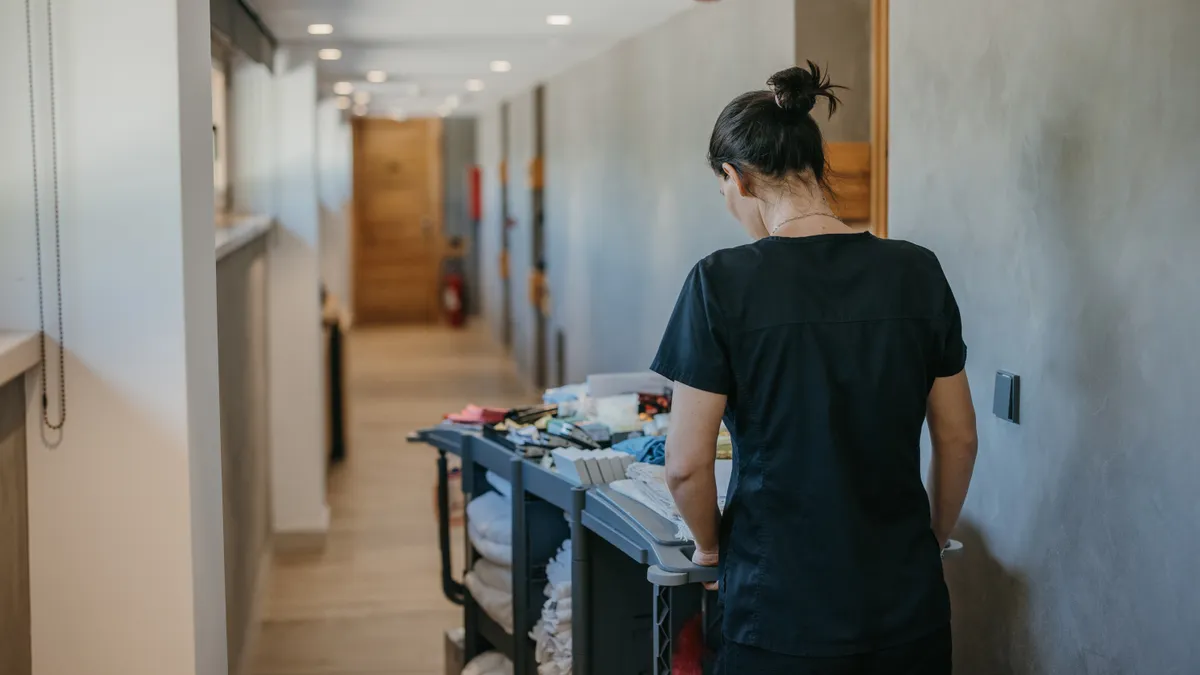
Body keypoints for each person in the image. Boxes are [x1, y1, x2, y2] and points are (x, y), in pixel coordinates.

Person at [651, 62, 979, 674]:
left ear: (736, 178)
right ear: (813, 167)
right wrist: (930, 539)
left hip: (777, 611)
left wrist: (709, 548)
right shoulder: (916, 271)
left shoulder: (720, 283)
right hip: (907, 610)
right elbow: (958, 437)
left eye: (723, 189)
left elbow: (685, 465)